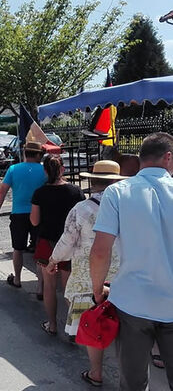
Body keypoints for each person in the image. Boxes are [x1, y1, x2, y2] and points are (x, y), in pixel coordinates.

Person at [90, 132, 173, 390]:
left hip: (132, 302)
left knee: (133, 383)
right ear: (168, 158)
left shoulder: (118, 192)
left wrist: (97, 290)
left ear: (140, 159)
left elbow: (101, 251)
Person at [46, 160, 125, 387]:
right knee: (124, 326)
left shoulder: (81, 209)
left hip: (87, 278)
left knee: (94, 327)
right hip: (122, 276)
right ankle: (127, 375)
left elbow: (67, 241)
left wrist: (53, 261)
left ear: (92, 181)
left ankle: (96, 372)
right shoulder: (126, 207)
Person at [30, 154, 85, 336]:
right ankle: (73, 329)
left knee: (49, 287)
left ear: (45, 171)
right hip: (71, 244)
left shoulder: (39, 193)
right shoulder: (76, 192)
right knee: (69, 287)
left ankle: (52, 325)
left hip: (47, 242)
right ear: (63, 169)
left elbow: (35, 221)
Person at [0, 141, 46, 289]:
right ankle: (40, 285)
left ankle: (18, 279)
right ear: (39, 154)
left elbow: (1, 192)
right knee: (40, 249)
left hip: (18, 214)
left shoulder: (13, 169)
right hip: (39, 213)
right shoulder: (44, 170)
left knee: (18, 248)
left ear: (25, 153)